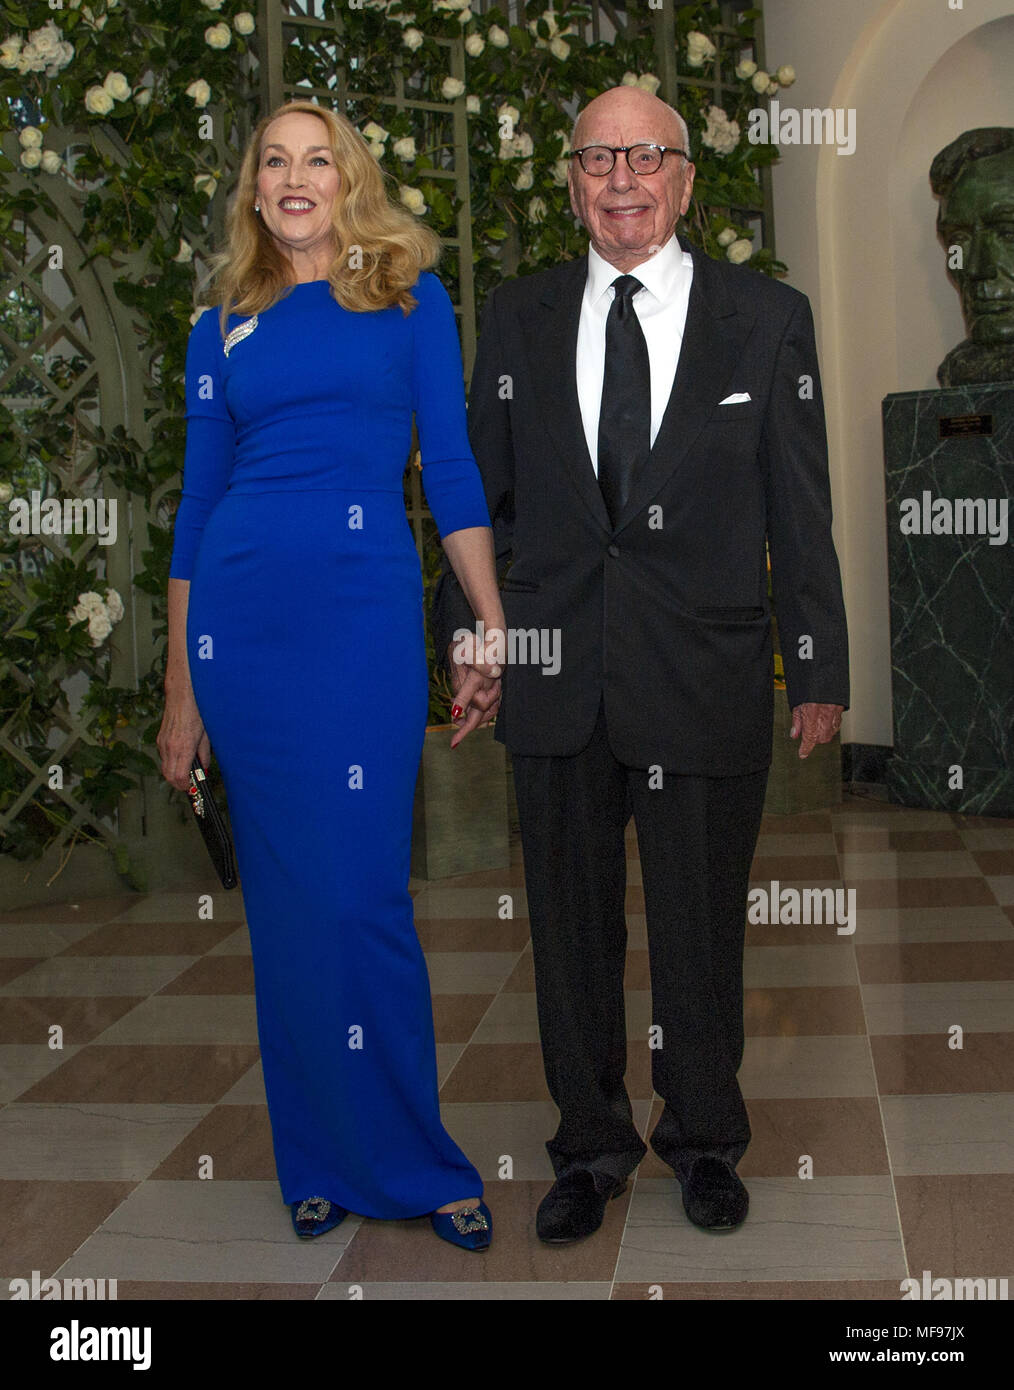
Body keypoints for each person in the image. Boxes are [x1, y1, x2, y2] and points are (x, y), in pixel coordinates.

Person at [434, 85, 849, 1244]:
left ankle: (705, 1135)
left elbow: (798, 507)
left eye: (647, 155)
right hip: (555, 671)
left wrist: (816, 658)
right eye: (598, 157)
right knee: (567, 930)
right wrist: (473, 637)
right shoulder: (514, 321)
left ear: (684, 179)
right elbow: (483, 503)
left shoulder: (765, 319)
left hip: (705, 672)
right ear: (570, 180)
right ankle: (590, 1143)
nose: (622, 176)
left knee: (701, 922)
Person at [158, 99, 505, 1250]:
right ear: (254, 191)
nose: (296, 178)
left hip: (359, 625)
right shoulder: (221, 325)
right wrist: (181, 689)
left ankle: (416, 1160)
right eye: (275, 161)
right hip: (241, 630)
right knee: (290, 909)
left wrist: (488, 623)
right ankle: (312, 1154)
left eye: (319, 159)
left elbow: (449, 471)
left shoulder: (407, 300)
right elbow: (198, 508)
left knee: (363, 899)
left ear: (347, 181)